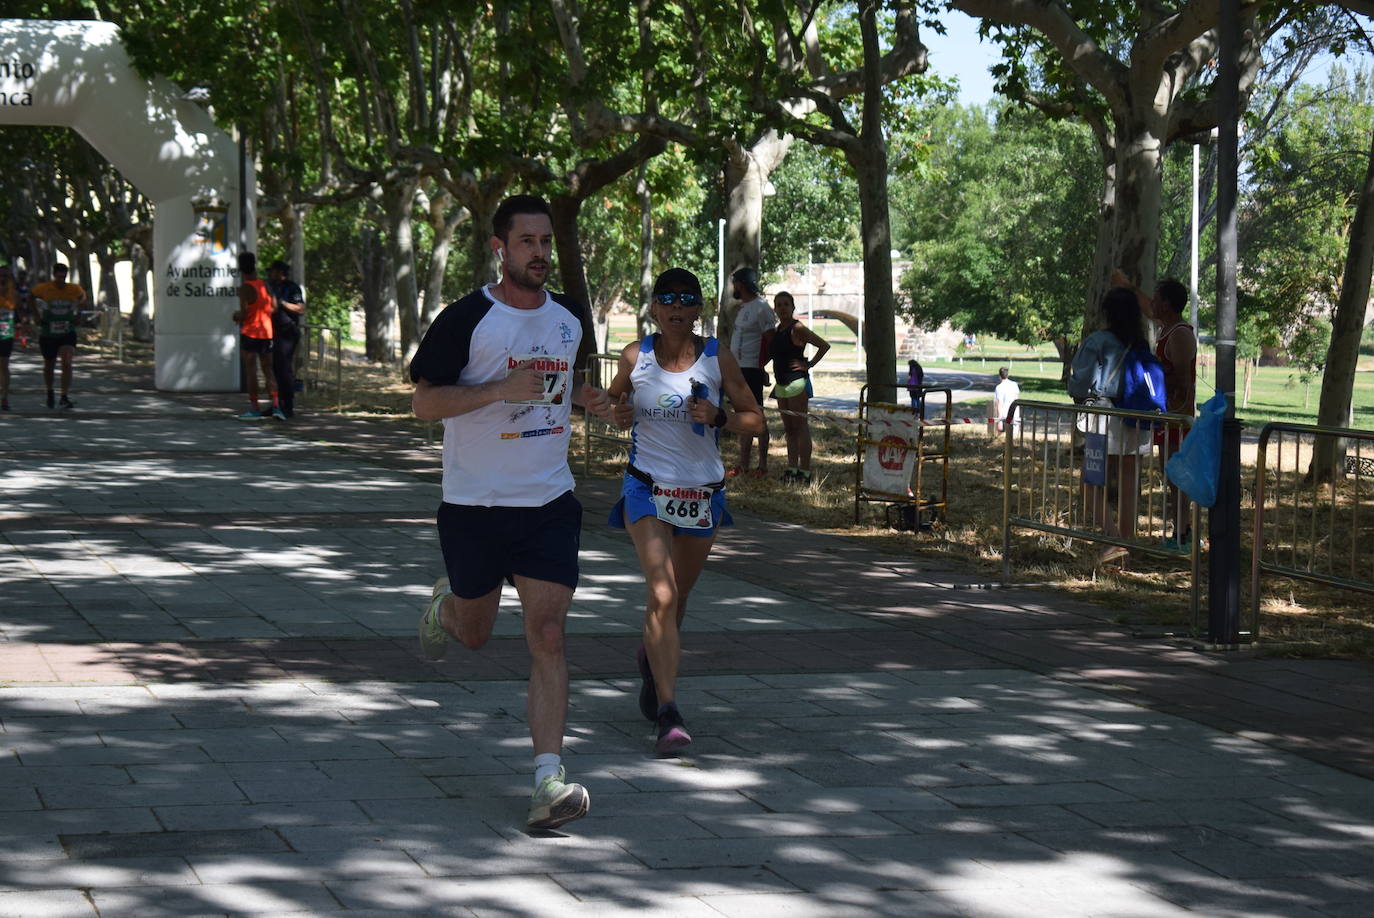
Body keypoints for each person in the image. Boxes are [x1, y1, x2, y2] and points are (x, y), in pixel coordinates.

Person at [410, 194, 614, 831]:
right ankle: (445, 606)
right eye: (527, 242)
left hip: (548, 501)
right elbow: (423, 404)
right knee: (475, 634)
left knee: (547, 635)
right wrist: (498, 389)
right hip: (473, 505)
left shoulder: (569, 318)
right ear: (500, 248)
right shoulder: (466, 318)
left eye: (546, 242)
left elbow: (556, 385)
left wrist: (591, 400)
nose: (540, 254)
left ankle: (547, 779)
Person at [605, 268, 764, 756]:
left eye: (687, 299)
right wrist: (616, 411)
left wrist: (720, 417)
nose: (677, 306)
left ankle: (653, 658)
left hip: (702, 493)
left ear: (699, 309)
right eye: (667, 298)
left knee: (677, 599)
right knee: (662, 590)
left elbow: (755, 422)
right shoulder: (638, 356)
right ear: (654, 307)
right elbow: (612, 402)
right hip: (646, 488)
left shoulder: (718, 357)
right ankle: (669, 713)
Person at [1114, 269, 1197, 548]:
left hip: (1177, 418)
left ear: (1169, 304)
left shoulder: (1180, 335)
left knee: (1177, 477)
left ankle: (1184, 534)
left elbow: (1183, 380)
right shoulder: (1167, 329)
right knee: (1170, 475)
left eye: (1158, 299)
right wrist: (1128, 285)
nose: (1153, 304)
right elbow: (1147, 307)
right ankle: (1180, 531)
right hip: (1167, 417)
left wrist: (1156, 376)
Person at [1069, 287, 1152, 566]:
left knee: (1091, 481)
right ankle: (1126, 543)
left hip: (1105, 416)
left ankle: (1113, 538)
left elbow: (1080, 381)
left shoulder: (1098, 340)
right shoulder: (1141, 343)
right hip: (1137, 417)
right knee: (1130, 482)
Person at [768, 291, 830, 485]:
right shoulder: (778, 329)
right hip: (781, 384)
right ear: (775, 309)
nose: (783, 308)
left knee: (801, 427)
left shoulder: (798, 328)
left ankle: (805, 472)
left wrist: (808, 364)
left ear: (793, 307)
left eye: (786, 304)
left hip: (797, 383)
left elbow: (823, 345)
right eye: (779, 304)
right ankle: (792, 469)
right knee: (789, 429)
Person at [726, 267, 774, 478]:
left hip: (752, 370)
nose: (733, 287)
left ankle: (762, 466)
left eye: (735, 282)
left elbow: (771, 341)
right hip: (738, 369)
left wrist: (762, 366)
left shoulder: (762, 307)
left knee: (758, 417)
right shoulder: (743, 307)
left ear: (742, 284)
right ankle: (743, 464)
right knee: (742, 417)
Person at [232, 253, 283, 421]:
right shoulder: (265, 284)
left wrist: (236, 316)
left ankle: (255, 408)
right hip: (266, 333)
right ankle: (276, 406)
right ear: (255, 265)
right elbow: (274, 307)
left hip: (250, 333)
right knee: (269, 370)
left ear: (240, 268)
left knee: (251, 371)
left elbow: (244, 313)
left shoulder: (245, 288)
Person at [29, 264, 87, 410]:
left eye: (64, 276)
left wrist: (79, 315)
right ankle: (50, 391)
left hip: (67, 330)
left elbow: (83, 298)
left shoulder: (73, 289)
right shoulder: (44, 288)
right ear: (54, 275)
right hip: (48, 331)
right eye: (59, 276)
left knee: (67, 361)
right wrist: (36, 315)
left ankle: (64, 395)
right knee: (50, 363)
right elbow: (31, 296)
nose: (61, 279)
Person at [267, 260, 306, 418]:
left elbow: (300, 308)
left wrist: (282, 304)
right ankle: (277, 404)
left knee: (284, 369)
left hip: (287, 332)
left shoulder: (292, 287)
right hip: (274, 332)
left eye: (273, 271)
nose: (270, 274)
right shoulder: (271, 287)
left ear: (280, 273)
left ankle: (288, 405)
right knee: (275, 369)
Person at [0, 264, 18, 411]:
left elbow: (18, 310)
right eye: (1, 276)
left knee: (4, 365)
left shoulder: (14, 292)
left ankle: (5, 397)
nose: (3, 279)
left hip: (6, 331)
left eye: (7, 276)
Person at [991, 366, 1021, 434]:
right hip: (1015, 414)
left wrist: (999, 420)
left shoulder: (999, 387)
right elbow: (1017, 399)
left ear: (999, 376)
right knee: (1014, 437)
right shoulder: (1014, 385)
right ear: (1008, 375)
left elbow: (999, 404)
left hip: (1004, 415)